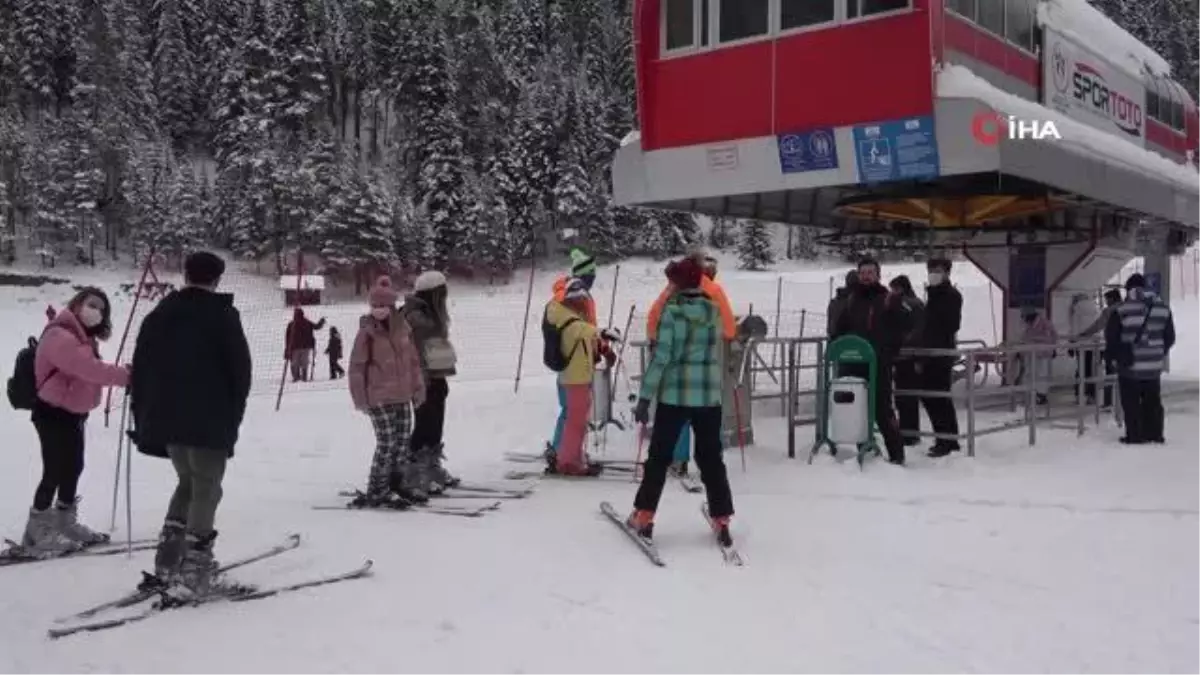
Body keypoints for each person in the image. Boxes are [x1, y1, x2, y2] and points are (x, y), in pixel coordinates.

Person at [128, 252, 252, 597]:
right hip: (208, 418)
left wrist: (146, 415)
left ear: (186, 274)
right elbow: (240, 372)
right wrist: (233, 417)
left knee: (187, 482)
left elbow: (141, 366)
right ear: (216, 279)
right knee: (207, 488)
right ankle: (195, 569)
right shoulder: (222, 315)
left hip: (167, 420)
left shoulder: (160, 313)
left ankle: (168, 560)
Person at [629, 257, 734, 545]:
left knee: (660, 457)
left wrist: (644, 398)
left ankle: (644, 515)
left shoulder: (672, 313)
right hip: (708, 396)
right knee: (711, 458)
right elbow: (727, 334)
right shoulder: (713, 311)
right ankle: (722, 517)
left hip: (674, 395)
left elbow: (661, 358)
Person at [20, 288, 130, 556]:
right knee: (55, 470)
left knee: (73, 467)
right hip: (52, 412)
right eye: (92, 305)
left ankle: (64, 522)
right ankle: (36, 530)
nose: (97, 312)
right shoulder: (60, 335)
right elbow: (88, 370)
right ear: (78, 304)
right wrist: (127, 376)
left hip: (72, 413)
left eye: (102, 309)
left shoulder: (82, 338)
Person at [644, 248, 736, 477]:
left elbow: (654, 316)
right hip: (705, 372)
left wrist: (657, 339)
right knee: (705, 423)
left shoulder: (672, 288)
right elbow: (729, 328)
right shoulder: (714, 291)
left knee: (677, 413)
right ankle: (711, 467)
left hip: (672, 363)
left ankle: (678, 458)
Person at [348, 276, 427, 505]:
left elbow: (413, 361)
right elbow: (356, 367)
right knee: (387, 442)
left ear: (392, 306)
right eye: (375, 306)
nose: (378, 310)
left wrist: (418, 388)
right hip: (378, 396)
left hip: (402, 394)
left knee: (402, 441)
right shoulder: (366, 333)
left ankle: (397, 483)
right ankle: (378, 488)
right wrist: (360, 398)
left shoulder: (403, 330)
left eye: (383, 306)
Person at [831, 257, 907, 465]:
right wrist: (837, 347)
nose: (866, 276)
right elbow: (839, 329)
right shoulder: (851, 300)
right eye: (863, 272)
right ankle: (864, 449)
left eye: (870, 272)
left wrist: (888, 351)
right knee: (856, 408)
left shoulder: (887, 299)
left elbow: (901, 328)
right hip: (853, 363)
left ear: (878, 274)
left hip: (878, 363)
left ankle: (896, 454)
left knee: (882, 409)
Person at [545, 278, 611, 476]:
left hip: (579, 375)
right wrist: (604, 333)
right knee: (576, 421)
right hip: (575, 377)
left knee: (577, 420)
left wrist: (603, 348)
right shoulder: (567, 318)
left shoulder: (570, 315)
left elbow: (587, 337)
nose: (584, 304)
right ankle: (568, 462)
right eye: (581, 299)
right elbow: (582, 330)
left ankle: (573, 457)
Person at [402, 270, 460, 492]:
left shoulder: (430, 316)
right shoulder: (415, 318)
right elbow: (413, 351)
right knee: (425, 425)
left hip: (436, 377)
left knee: (435, 425)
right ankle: (415, 470)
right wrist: (421, 380)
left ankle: (431, 467)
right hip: (422, 380)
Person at [1105, 273, 1174, 444]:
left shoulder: (1121, 309)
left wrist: (1114, 357)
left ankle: (1135, 435)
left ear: (1129, 289)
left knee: (1131, 401)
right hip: (1153, 365)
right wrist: (1157, 351)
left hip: (1130, 365)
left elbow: (1112, 337)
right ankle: (1155, 434)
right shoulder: (1163, 308)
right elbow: (1169, 336)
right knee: (1153, 399)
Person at [546, 248, 599, 462]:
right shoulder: (568, 296)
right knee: (572, 410)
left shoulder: (579, 294)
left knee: (572, 409)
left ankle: (566, 449)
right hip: (570, 360)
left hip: (580, 357)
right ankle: (563, 451)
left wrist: (598, 347)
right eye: (591, 275)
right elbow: (577, 327)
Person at [920, 258, 964, 458]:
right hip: (930, 352)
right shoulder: (933, 294)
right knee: (933, 397)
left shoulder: (950, 295)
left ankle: (947, 440)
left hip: (940, 353)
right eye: (931, 270)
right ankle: (945, 438)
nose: (933, 274)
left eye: (937, 270)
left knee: (938, 397)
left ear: (947, 272)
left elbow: (950, 324)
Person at [887, 275, 925, 446]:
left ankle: (909, 433)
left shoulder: (909, 305)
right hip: (905, 354)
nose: (892, 292)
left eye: (894, 288)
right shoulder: (910, 303)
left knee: (906, 396)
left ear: (901, 288)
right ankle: (908, 431)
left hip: (906, 354)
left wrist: (902, 343)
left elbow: (916, 330)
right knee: (905, 396)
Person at [1075, 289, 1122, 408]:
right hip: (1128, 346)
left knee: (1110, 373)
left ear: (1111, 299)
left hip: (1113, 346)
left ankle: (1108, 402)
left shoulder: (1109, 311)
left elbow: (1098, 325)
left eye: (1107, 299)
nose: (1106, 302)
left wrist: (1084, 334)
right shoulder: (1128, 308)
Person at [285, 308, 326, 382]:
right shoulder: (306, 322)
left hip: (295, 347)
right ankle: (304, 377)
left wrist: (287, 348)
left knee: (295, 363)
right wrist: (321, 322)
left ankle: (297, 377)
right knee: (304, 362)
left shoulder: (292, 324)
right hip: (305, 346)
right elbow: (316, 327)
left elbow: (287, 337)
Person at [826, 270, 858, 337]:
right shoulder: (858, 301)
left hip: (836, 342)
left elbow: (830, 330)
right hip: (853, 342)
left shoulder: (834, 302)